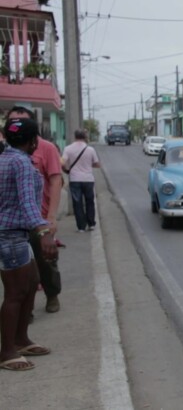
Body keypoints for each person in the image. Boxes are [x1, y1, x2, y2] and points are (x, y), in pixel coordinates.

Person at [0, 118, 57, 371]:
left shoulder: (5, 158)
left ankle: (21, 339)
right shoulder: (21, 162)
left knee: (32, 281)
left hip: (16, 233)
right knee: (15, 293)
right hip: (11, 234)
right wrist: (44, 232)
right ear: (34, 140)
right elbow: (27, 202)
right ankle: (7, 351)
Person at [7, 107, 63, 313]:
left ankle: (52, 294)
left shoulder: (46, 149)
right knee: (21, 272)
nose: (17, 127)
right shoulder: (8, 154)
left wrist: (51, 217)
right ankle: (24, 313)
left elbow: (56, 181)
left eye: (22, 122)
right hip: (13, 225)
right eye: (13, 122)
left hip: (39, 218)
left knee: (46, 261)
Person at [62, 129, 101, 233]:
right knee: (89, 201)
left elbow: (62, 162)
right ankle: (91, 223)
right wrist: (89, 165)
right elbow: (97, 164)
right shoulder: (90, 149)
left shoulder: (68, 148)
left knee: (77, 203)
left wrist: (66, 170)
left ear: (75, 136)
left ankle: (81, 227)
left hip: (75, 179)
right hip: (88, 179)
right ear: (85, 137)